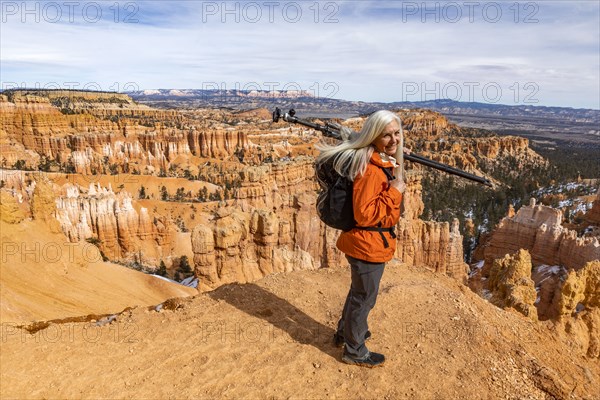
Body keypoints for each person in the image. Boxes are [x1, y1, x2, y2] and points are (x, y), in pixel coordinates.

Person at [316, 110, 406, 367]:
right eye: (386, 135)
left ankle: (345, 333)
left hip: (365, 242)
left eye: (397, 133)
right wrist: (395, 192)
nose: (393, 140)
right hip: (367, 244)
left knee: (359, 293)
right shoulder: (370, 170)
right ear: (373, 136)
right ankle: (354, 350)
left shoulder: (376, 160)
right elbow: (365, 214)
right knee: (364, 298)